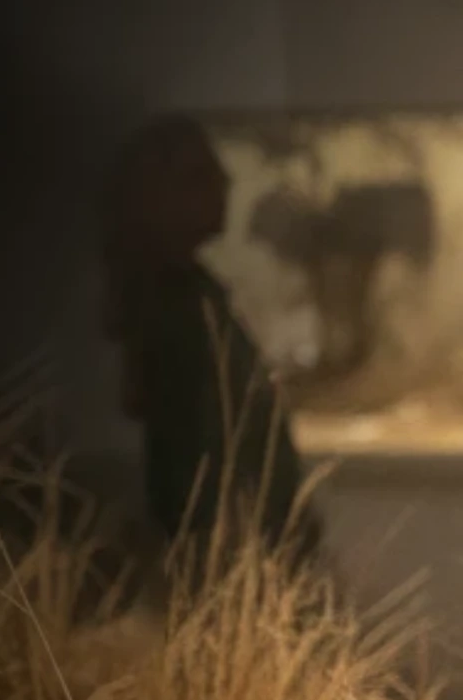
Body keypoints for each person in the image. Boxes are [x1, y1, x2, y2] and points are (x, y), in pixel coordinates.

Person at [100, 113, 311, 590]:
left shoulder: (189, 294)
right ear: (156, 196)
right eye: (198, 178)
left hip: (246, 551)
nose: (225, 185)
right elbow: (191, 455)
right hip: (220, 557)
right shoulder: (171, 306)